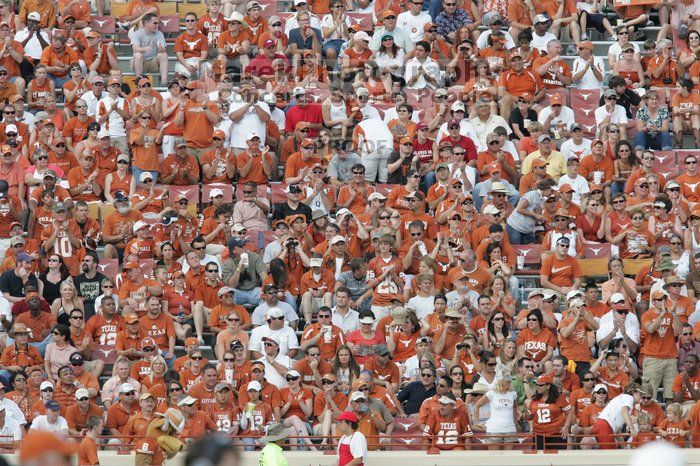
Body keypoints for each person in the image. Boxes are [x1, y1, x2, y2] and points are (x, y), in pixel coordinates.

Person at [592, 383, 643, 449]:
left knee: (612, 453)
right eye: (640, 394)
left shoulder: (623, 398)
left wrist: (624, 447)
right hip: (604, 426)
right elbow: (624, 411)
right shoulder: (629, 397)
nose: (641, 397)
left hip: (603, 425)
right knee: (609, 455)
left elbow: (618, 430)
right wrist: (632, 428)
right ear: (633, 392)